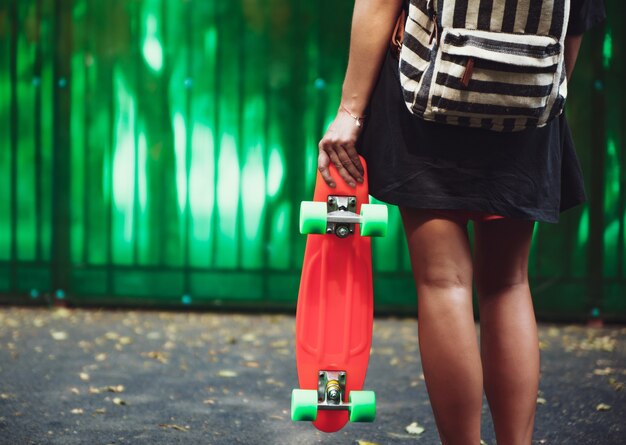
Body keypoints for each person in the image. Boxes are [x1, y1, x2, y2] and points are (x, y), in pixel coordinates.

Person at [317, 0, 606, 444]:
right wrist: (537, 92)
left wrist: (350, 112)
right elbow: (580, 17)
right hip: (526, 106)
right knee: (508, 284)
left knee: (443, 283)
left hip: (427, 98)